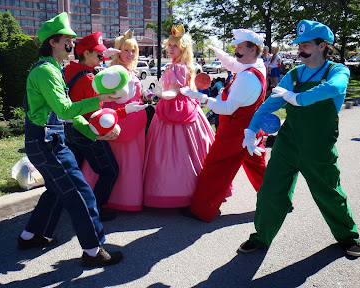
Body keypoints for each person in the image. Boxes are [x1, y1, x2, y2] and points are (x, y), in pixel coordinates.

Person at [239, 20, 360, 257]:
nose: (300, 49)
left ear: (322, 45)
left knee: (329, 194)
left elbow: (334, 88)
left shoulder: (337, 71)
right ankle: (261, 237)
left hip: (318, 148)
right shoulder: (294, 74)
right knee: (269, 192)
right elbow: (271, 104)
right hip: (287, 145)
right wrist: (251, 129)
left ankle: (349, 236)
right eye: (299, 45)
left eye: (305, 45)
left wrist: (298, 98)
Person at [17, 12, 123, 267]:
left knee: (57, 190)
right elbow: (66, 110)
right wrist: (99, 100)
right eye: (67, 39)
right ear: (53, 42)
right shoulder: (46, 72)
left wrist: (94, 132)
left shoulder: (53, 69)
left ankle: (30, 235)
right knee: (81, 193)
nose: (72, 44)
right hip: (47, 143)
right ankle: (92, 251)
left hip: (46, 141)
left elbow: (66, 114)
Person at [180, 28, 268, 222]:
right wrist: (220, 54)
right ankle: (279, 201)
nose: (236, 51)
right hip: (251, 130)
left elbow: (226, 108)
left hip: (235, 132)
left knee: (215, 167)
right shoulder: (257, 66)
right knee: (258, 167)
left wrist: (200, 97)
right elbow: (233, 64)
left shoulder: (247, 76)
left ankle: (201, 210)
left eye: (239, 47)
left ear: (253, 49)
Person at [63, 32, 147, 220]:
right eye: (99, 54)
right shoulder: (89, 80)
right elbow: (97, 112)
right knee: (110, 171)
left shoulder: (70, 70)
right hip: (87, 130)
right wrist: (117, 118)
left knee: (74, 171)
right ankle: (95, 210)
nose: (102, 57)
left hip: (71, 129)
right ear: (86, 54)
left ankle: (72, 204)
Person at [143, 25, 215, 208]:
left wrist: (160, 94)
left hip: (176, 110)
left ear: (183, 48)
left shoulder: (177, 68)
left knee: (175, 154)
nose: (170, 49)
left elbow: (173, 94)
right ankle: (197, 191)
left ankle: (178, 193)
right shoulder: (182, 66)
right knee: (193, 151)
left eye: (174, 46)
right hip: (186, 109)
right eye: (169, 45)